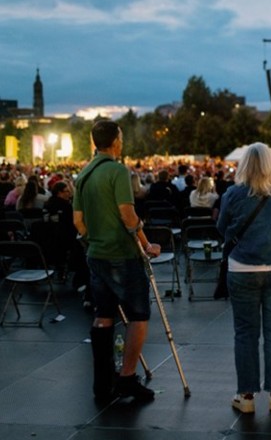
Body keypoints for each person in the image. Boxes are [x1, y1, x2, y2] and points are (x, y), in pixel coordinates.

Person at [73, 120, 160, 403]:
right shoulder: (117, 170)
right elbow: (128, 215)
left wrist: (94, 239)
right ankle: (126, 377)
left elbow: (78, 221)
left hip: (96, 254)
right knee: (139, 315)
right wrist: (147, 245)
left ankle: (102, 381)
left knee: (103, 315)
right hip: (122, 255)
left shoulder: (83, 174)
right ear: (116, 141)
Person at [217, 142, 271, 414]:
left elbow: (221, 228)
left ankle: (247, 396)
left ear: (244, 165)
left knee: (245, 333)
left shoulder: (232, 194)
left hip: (242, 269)